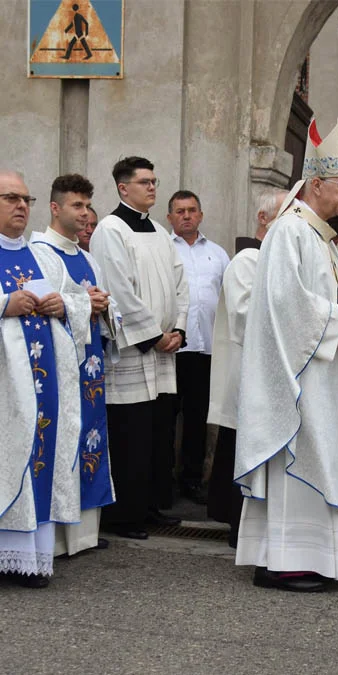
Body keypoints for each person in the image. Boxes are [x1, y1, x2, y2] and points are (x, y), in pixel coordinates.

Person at [234, 118, 338, 592]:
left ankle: (294, 557)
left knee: (320, 460)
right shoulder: (290, 231)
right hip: (301, 377)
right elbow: (283, 300)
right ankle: (288, 562)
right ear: (317, 184)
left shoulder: (317, 235)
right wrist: (330, 316)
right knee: (303, 462)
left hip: (322, 373)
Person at [0, 169, 90, 587]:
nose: (21, 206)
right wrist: (4, 303)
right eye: (10, 198)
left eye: (26, 199)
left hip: (44, 385)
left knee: (38, 458)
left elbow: (78, 300)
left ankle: (28, 558)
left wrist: (62, 305)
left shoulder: (43, 255)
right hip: (6, 390)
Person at [90, 156, 188, 539]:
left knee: (157, 435)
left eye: (154, 180)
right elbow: (118, 291)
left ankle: (149, 507)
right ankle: (123, 516)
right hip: (133, 352)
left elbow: (181, 282)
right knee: (130, 436)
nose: (152, 187)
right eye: (144, 182)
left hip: (163, 354)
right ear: (123, 188)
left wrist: (177, 328)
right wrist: (153, 336)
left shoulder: (160, 232)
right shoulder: (111, 230)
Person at [31, 174, 119, 558]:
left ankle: (82, 536)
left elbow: (104, 307)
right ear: (55, 208)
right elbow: (44, 307)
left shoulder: (87, 257)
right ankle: (57, 537)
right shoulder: (38, 252)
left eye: (87, 206)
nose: (85, 214)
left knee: (91, 439)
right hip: (60, 368)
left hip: (91, 369)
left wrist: (103, 304)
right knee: (61, 440)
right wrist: (85, 302)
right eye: (77, 206)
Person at [206, 188, 287, 548]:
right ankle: (236, 523)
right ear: (263, 219)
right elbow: (244, 314)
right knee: (240, 448)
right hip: (246, 375)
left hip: (270, 376)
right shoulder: (248, 260)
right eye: (286, 216)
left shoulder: (278, 260)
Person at [168, 190, 229, 504]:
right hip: (170, 349)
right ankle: (163, 481)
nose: (186, 216)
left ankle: (192, 480)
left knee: (196, 419)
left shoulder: (218, 254)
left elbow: (228, 299)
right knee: (165, 419)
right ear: (170, 218)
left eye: (192, 210)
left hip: (205, 349)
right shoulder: (163, 250)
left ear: (201, 215)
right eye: (180, 211)